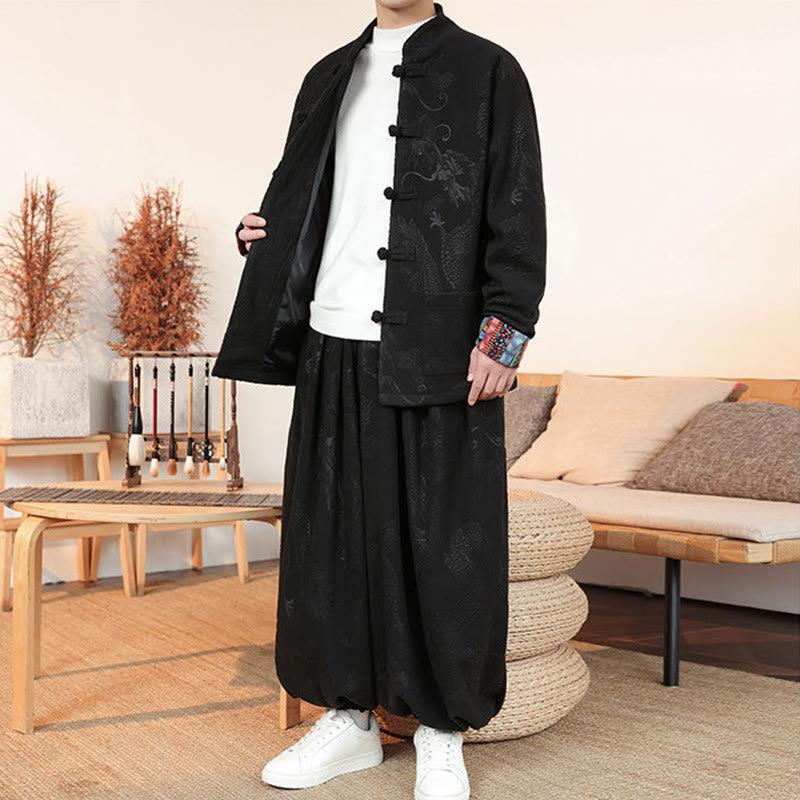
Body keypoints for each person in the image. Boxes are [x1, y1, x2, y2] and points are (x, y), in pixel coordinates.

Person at [228, 2, 546, 798]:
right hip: (330, 341)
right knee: (329, 543)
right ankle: (349, 720)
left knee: (448, 546)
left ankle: (442, 729)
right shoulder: (327, 75)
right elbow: (310, 194)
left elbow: (517, 208)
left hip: (442, 348)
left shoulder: (489, 69)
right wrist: (264, 232)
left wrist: (505, 335)